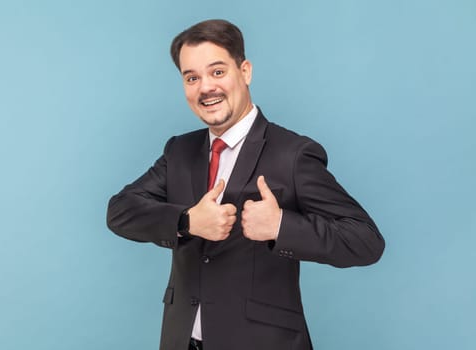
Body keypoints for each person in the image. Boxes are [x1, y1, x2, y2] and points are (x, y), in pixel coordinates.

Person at [107, 19, 385, 350]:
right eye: (192, 78)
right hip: (182, 341)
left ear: (245, 72)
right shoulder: (179, 151)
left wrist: (281, 225)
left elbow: (366, 240)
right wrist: (188, 221)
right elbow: (121, 211)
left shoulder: (292, 154)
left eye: (218, 72)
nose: (205, 87)